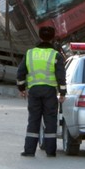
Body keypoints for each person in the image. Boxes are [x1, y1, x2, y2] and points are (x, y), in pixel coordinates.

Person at [16, 26, 67, 157]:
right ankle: (50, 151)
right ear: (53, 38)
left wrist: (22, 89)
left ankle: (29, 150)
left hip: (34, 91)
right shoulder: (55, 55)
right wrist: (62, 93)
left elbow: (20, 73)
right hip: (49, 91)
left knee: (34, 119)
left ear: (39, 37)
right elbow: (61, 76)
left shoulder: (30, 53)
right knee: (50, 120)